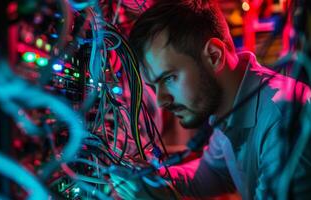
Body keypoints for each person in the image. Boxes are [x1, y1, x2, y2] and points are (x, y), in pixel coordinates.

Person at [110, 0, 311, 199]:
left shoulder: (283, 117)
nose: (161, 100)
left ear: (214, 56)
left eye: (169, 78)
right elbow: (209, 175)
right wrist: (151, 176)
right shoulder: (229, 105)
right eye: (153, 86)